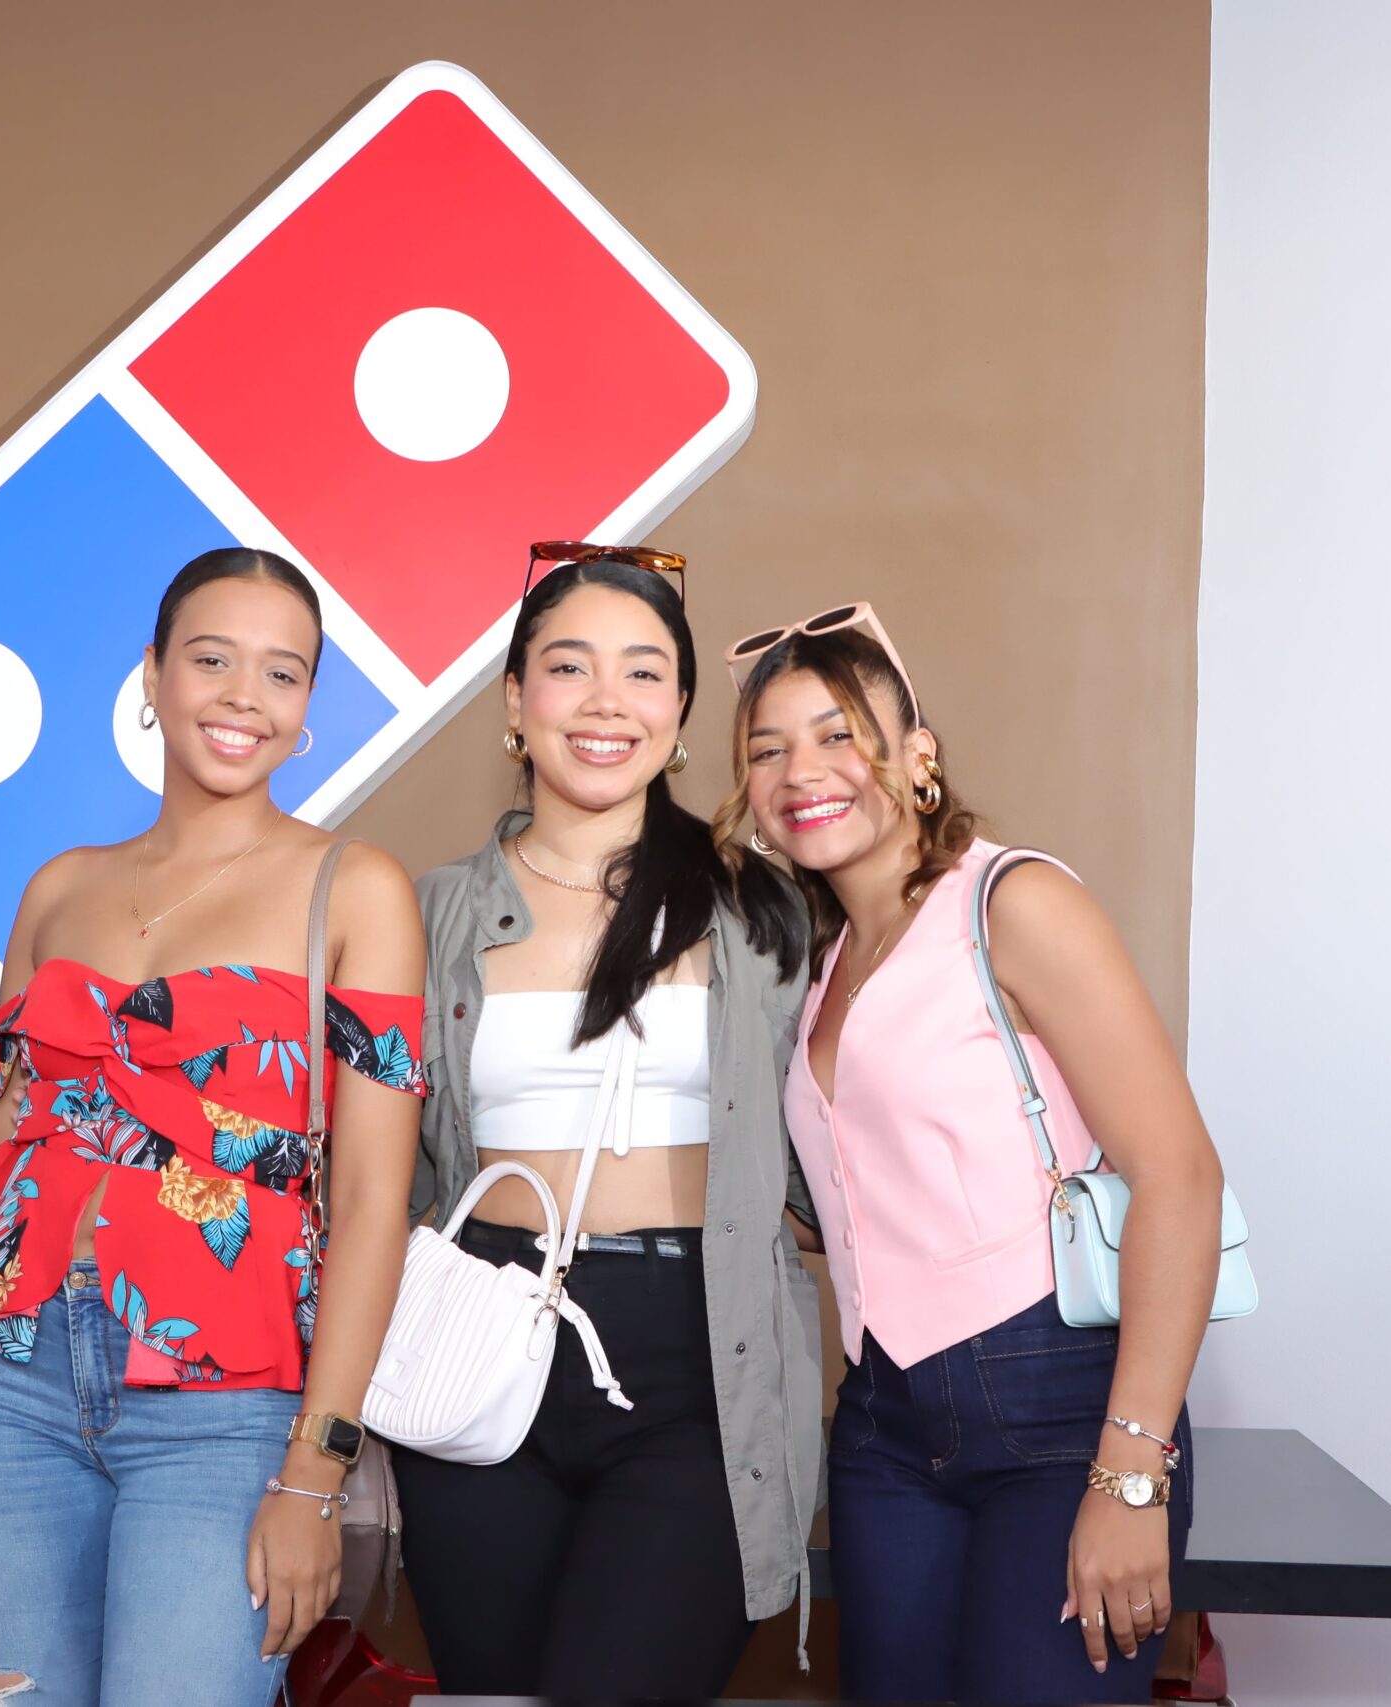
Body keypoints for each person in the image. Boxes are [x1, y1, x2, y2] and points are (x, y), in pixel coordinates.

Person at [0, 547, 426, 1707]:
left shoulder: (357, 889)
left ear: (307, 708)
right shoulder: (57, 887)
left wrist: (315, 1471)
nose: (244, 697)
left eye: (281, 673)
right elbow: (3, 1148)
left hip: (226, 1411)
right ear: (152, 674)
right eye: (212, 659)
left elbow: (375, 1202)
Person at [721, 604, 1226, 1704]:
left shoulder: (1012, 901)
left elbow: (1180, 1176)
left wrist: (1131, 1473)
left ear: (919, 755)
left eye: (838, 733)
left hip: (1061, 1407)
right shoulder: (820, 961)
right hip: (882, 1425)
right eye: (767, 749)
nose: (801, 770)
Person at [391, 543, 822, 1699]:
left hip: (700, 1360)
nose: (604, 701)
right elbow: (375, 1173)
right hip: (480, 1345)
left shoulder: (759, 907)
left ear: (678, 714)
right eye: (568, 665)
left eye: (642, 672)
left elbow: (842, 1140)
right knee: (492, 1693)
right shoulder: (426, 913)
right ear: (514, 701)